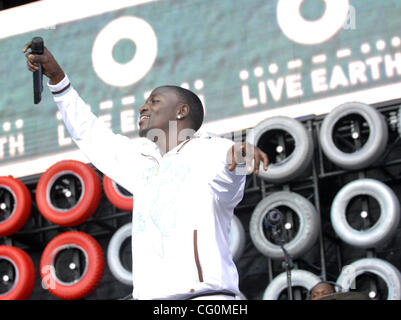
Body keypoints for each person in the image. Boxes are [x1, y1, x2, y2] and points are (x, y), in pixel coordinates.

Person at [23, 42, 269, 300]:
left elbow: (230, 172)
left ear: (181, 111)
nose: (143, 107)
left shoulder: (211, 150)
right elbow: (89, 133)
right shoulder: (142, 159)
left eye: (154, 101)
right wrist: (58, 79)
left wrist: (240, 157)